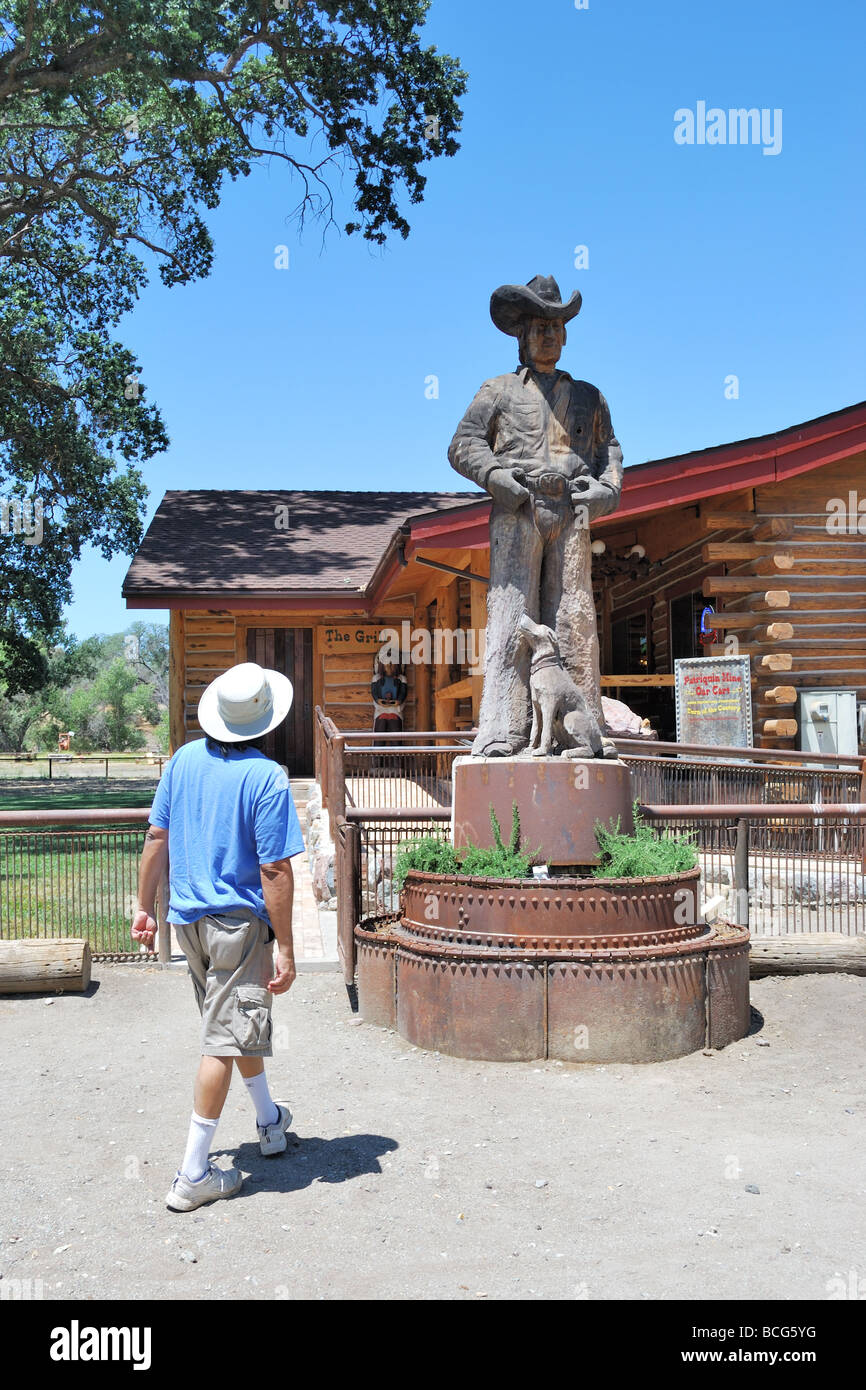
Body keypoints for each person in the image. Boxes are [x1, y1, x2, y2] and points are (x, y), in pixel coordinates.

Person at [131, 662, 305, 1212]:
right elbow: (275, 870)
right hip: (237, 924)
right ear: (265, 720)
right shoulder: (267, 778)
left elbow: (157, 835)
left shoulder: (182, 761)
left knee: (228, 1024)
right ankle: (192, 1174)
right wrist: (286, 944)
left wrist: (144, 909)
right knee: (221, 1041)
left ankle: (269, 1121)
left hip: (188, 923)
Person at [448, 274, 624, 757]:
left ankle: (580, 732)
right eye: (539, 327)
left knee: (574, 618)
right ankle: (504, 729)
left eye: (556, 327)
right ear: (522, 336)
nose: (549, 336)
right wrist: (502, 483)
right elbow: (463, 444)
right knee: (511, 616)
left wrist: (606, 492)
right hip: (518, 509)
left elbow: (609, 451)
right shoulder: (498, 390)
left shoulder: (590, 396)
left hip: (571, 510)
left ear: (566, 335)